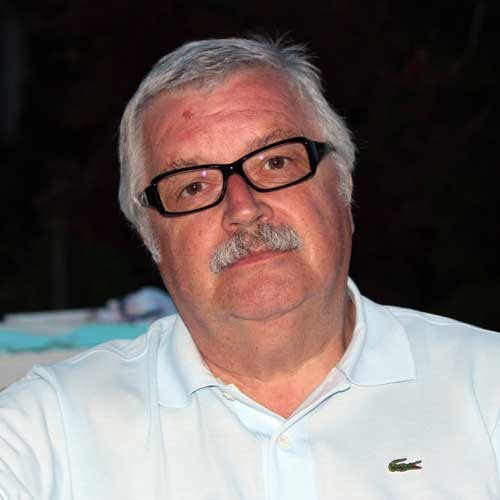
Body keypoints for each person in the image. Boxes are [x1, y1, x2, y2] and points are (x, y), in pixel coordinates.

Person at [1, 36, 499, 500]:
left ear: (343, 188)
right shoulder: (45, 433)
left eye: (275, 163)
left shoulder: (486, 389)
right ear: (152, 238)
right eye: (193, 186)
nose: (242, 207)